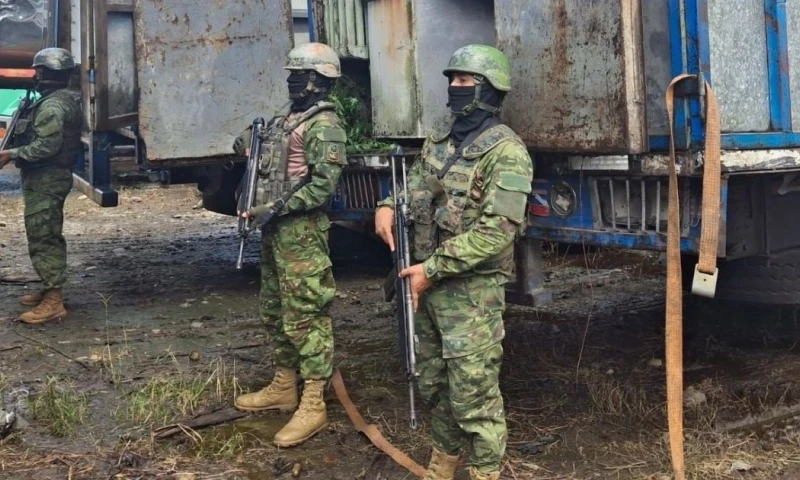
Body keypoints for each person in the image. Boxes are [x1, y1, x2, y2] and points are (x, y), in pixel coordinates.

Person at [375, 44, 533, 480]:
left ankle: (485, 470)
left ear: (489, 90)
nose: (454, 88)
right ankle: (443, 461)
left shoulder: (507, 152)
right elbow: (417, 186)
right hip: (426, 279)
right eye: (452, 80)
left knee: (473, 393)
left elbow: (496, 232)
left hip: (470, 291)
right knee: (433, 382)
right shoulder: (441, 140)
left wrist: (432, 269)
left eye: (465, 81)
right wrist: (388, 203)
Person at [232, 42, 347, 448]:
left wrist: (275, 207)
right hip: (274, 229)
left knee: (307, 314)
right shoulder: (288, 117)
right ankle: (284, 384)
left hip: (300, 232)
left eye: (298, 74)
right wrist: (247, 140)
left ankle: (314, 399)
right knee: (274, 308)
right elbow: (250, 141)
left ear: (316, 80)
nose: (291, 80)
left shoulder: (324, 124)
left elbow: (322, 186)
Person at [0, 47, 81, 325]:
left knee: (43, 235)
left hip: (48, 177)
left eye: (40, 70)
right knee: (43, 232)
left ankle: (54, 301)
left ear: (49, 73)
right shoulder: (56, 100)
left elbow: (47, 146)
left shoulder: (53, 106)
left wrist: (11, 154)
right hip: (45, 177)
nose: (36, 75)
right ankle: (49, 288)